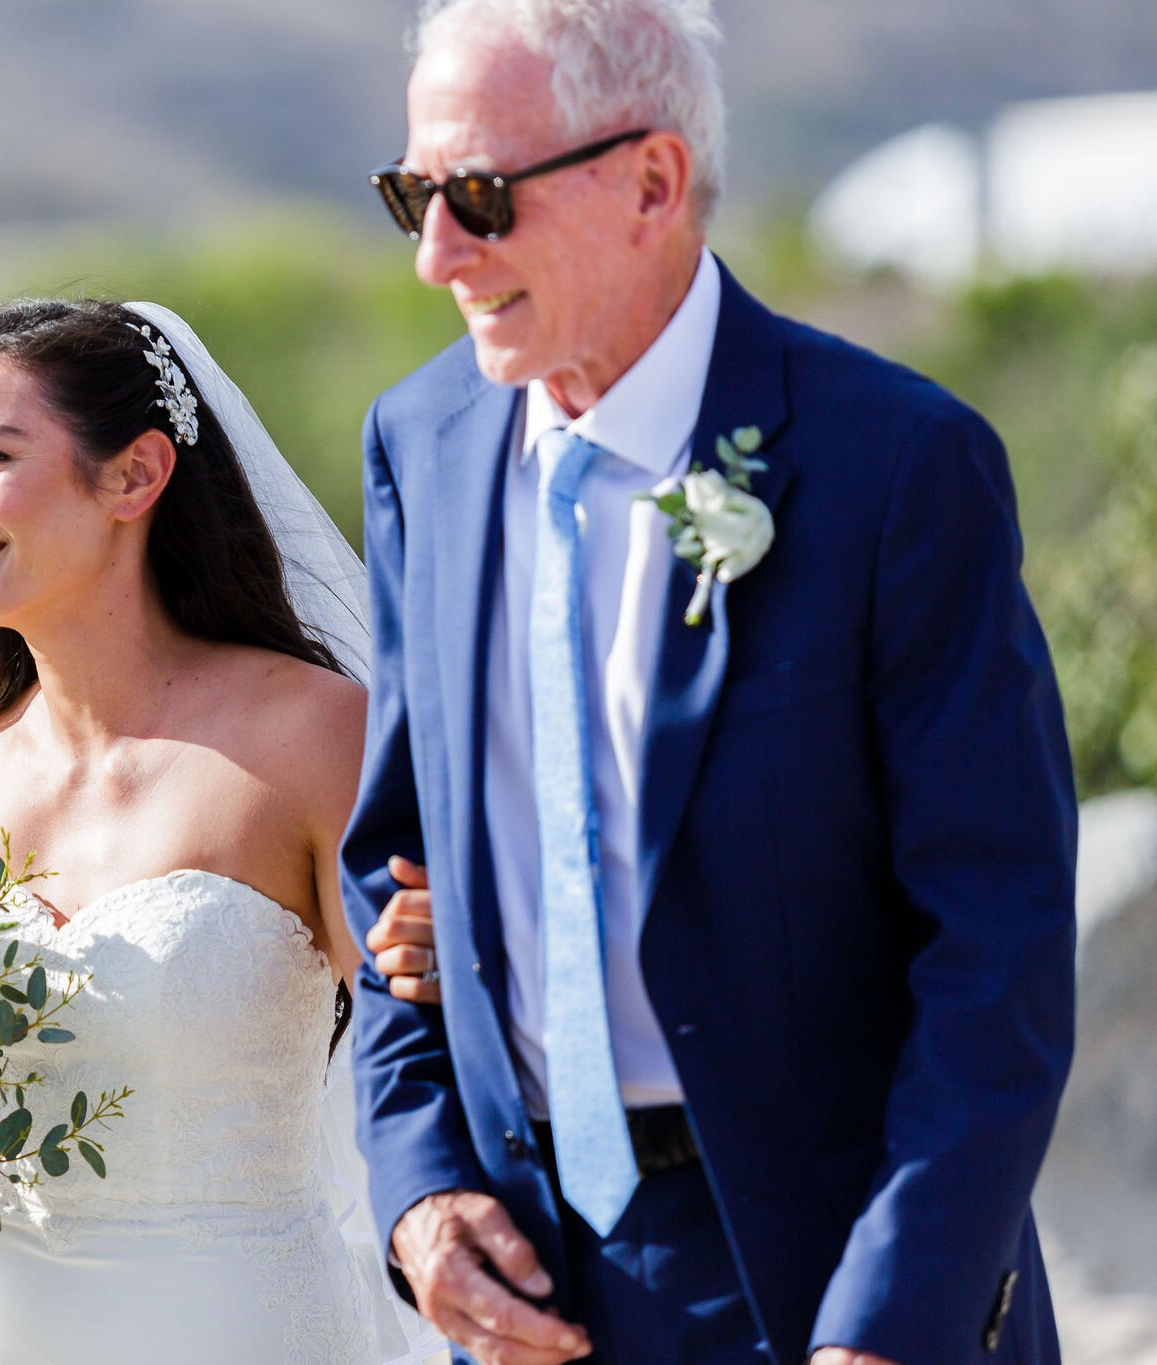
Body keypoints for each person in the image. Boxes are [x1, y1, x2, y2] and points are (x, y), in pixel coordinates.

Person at [339, 2, 1078, 1363]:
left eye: (481, 197)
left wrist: (896, 1313)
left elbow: (999, 938)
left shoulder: (896, 465)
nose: (438, 253)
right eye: (413, 195)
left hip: (832, 1272)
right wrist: (422, 1186)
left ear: (654, 182)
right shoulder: (420, 443)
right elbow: (396, 869)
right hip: (529, 1281)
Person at [0, 297, 425, 1364]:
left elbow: (416, 1047)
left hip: (242, 1322)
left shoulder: (312, 735)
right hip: (3, 1326)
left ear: (135, 476)